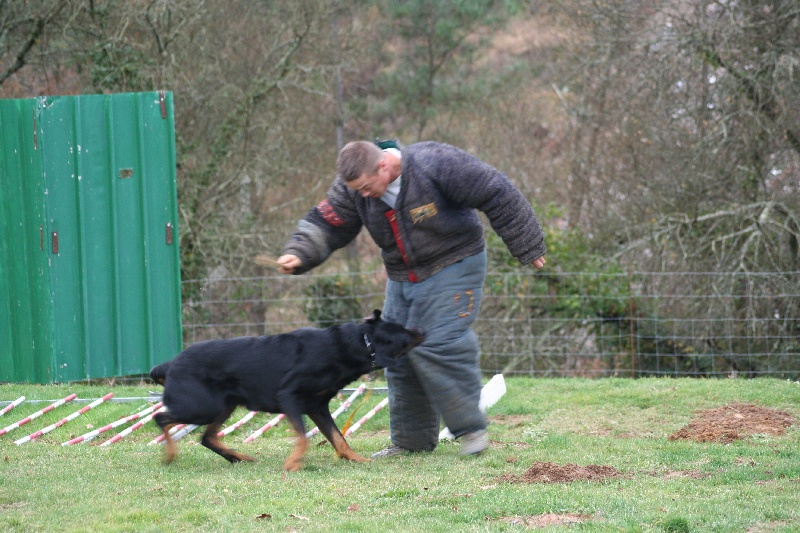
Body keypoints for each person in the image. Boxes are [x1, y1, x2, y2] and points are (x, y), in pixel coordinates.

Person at [276, 139, 546, 457]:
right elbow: (327, 222)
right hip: (403, 274)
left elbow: (496, 190)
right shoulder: (354, 187)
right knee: (396, 349)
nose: (364, 195)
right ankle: (411, 442)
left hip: (455, 262)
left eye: (366, 187)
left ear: (383, 166)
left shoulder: (436, 164)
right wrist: (299, 252)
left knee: (439, 343)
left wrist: (528, 245)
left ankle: (472, 431)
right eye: (357, 191)